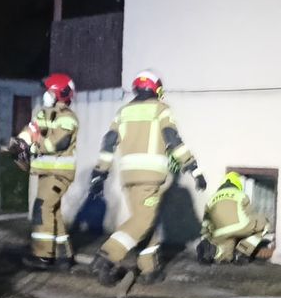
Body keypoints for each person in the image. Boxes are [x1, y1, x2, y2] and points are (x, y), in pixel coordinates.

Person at [88, 70, 207, 285]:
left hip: (129, 178)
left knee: (146, 221)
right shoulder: (160, 109)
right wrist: (194, 169)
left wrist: (99, 173)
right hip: (150, 177)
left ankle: (149, 269)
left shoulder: (123, 112)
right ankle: (107, 256)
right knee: (142, 221)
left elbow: (109, 142)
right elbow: (172, 139)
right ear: (156, 89)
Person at [5, 73, 80, 269]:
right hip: (47, 172)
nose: (46, 94)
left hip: (60, 173)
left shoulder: (67, 117)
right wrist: (20, 142)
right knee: (53, 211)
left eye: (49, 91)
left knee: (42, 208)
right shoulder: (44, 114)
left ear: (58, 93)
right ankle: (64, 255)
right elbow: (32, 130)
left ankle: (43, 256)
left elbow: (59, 142)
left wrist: (32, 148)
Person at [197, 172, 273, 264]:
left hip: (219, 233)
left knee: (225, 257)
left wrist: (206, 239)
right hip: (239, 227)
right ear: (237, 184)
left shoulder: (211, 199)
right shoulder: (241, 195)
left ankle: (216, 252)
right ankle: (242, 251)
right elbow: (249, 215)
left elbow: (206, 224)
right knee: (264, 223)